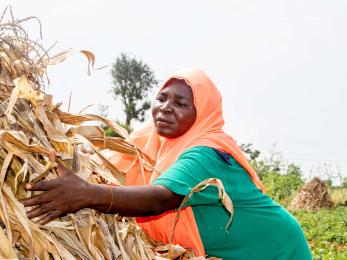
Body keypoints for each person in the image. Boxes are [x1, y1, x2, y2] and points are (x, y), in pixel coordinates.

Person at [21, 69, 312, 259]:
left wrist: (87, 193)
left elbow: (162, 198)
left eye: (181, 104)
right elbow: (106, 169)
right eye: (161, 98)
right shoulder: (148, 141)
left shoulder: (207, 152)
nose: (165, 108)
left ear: (202, 113)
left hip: (276, 250)